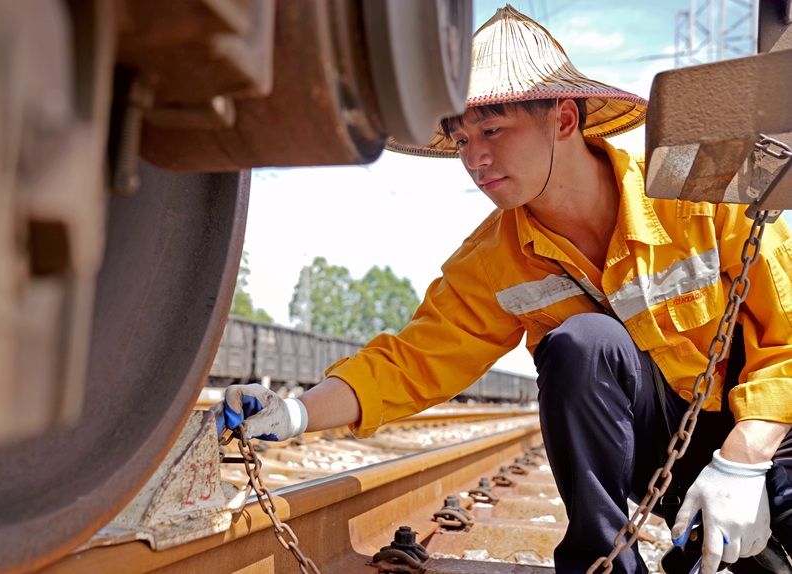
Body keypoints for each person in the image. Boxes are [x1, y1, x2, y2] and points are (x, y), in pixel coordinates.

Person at [218, 5, 792, 573]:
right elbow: (411, 363)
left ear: (564, 119)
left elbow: (787, 336)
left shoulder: (697, 192)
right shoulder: (494, 260)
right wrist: (293, 412)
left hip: (770, 432)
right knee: (581, 345)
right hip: (672, 457)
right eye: (461, 139)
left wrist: (744, 460)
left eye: (491, 130)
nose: (475, 158)